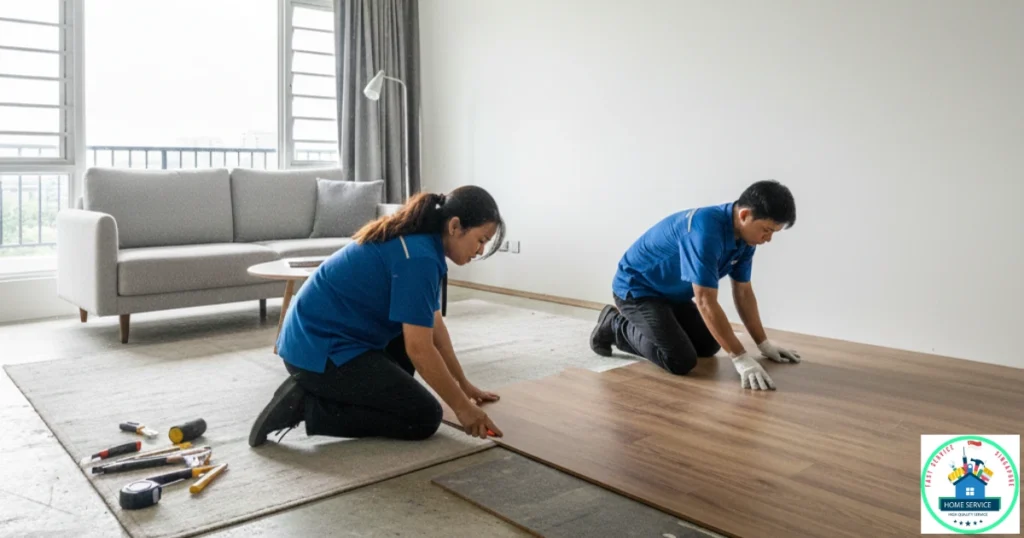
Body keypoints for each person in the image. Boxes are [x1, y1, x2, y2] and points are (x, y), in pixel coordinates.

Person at [249, 186, 507, 447]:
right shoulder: (419, 258)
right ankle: (307, 406)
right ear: (455, 227)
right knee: (424, 417)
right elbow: (419, 349)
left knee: (412, 343)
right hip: (317, 353)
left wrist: (463, 384)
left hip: (323, 339)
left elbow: (433, 325)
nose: (481, 250)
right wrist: (462, 409)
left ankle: (329, 391)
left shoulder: (422, 243)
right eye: (481, 239)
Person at [589, 180, 801, 391]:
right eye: (766, 230)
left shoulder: (746, 241)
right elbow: (705, 301)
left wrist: (763, 344)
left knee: (708, 345)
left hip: (673, 295)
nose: (769, 238)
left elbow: (743, 292)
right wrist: (741, 359)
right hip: (638, 290)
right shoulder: (705, 231)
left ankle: (658, 325)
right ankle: (615, 324)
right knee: (680, 360)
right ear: (744, 215)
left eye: (774, 232)